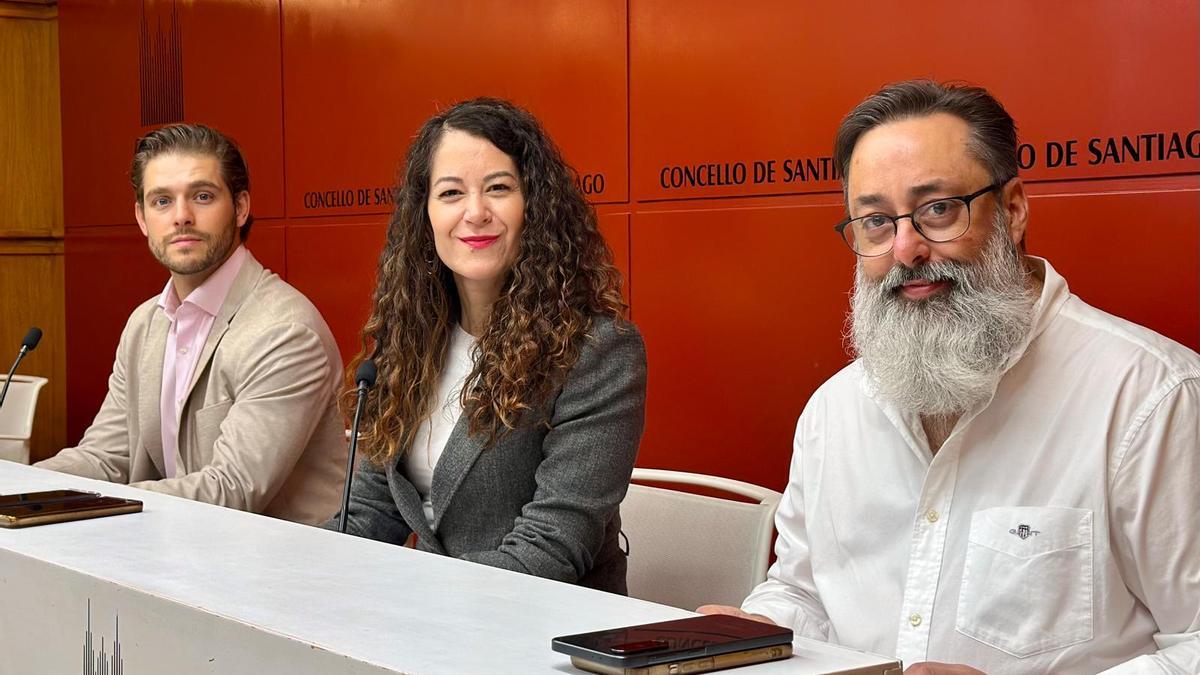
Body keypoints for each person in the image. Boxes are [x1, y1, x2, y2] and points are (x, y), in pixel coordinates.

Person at [700, 81, 1200, 673]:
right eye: (876, 221)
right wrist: (759, 632)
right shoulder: (834, 410)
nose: (906, 247)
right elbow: (803, 592)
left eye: (938, 209)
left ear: (1012, 210)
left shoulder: (1152, 397)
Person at [331, 98, 646, 594]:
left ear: (534, 205)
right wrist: (299, 576)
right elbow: (371, 511)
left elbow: (552, 546)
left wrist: (418, 603)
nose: (475, 213)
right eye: (451, 192)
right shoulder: (409, 341)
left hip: (545, 634)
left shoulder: (597, 351)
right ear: (426, 213)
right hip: (430, 625)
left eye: (498, 188)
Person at [37, 124, 347, 525]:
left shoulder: (284, 332)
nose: (181, 217)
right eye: (162, 201)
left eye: (202, 196)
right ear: (142, 218)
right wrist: (18, 488)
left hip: (277, 573)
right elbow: (105, 456)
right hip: (177, 553)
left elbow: (232, 489)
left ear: (240, 207)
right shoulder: (144, 324)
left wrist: (95, 502)